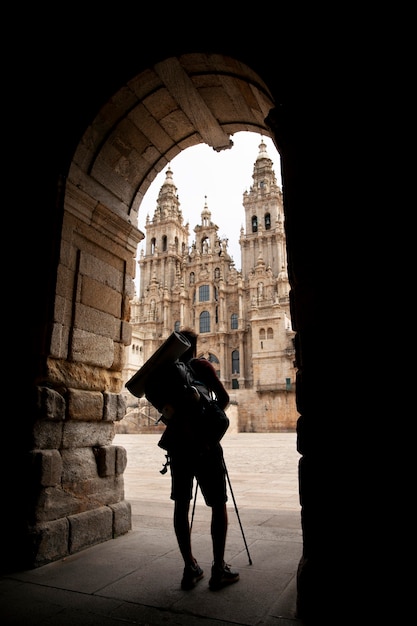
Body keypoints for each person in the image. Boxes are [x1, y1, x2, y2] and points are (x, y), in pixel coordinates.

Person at [152, 329, 239, 591]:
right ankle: (218, 568)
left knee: (180, 505)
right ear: (195, 346)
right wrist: (208, 416)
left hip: (178, 447)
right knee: (218, 504)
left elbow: (163, 410)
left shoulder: (164, 374)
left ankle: (189, 568)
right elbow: (223, 399)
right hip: (206, 446)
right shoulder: (202, 365)